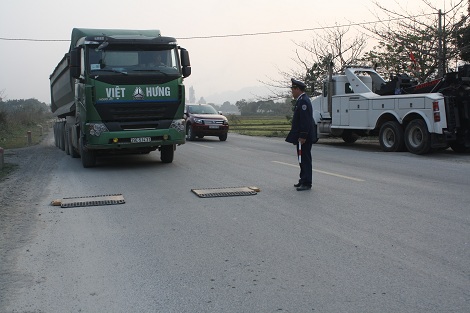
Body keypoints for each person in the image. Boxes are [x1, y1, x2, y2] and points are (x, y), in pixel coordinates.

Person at [285, 78, 316, 191]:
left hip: (304, 137)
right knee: (301, 158)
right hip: (301, 137)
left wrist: (303, 136)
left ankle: (307, 182)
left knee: (305, 159)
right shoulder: (301, 100)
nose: (292, 92)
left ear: (297, 89)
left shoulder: (303, 101)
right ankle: (303, 179)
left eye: (293, 89)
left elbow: (305, 121)